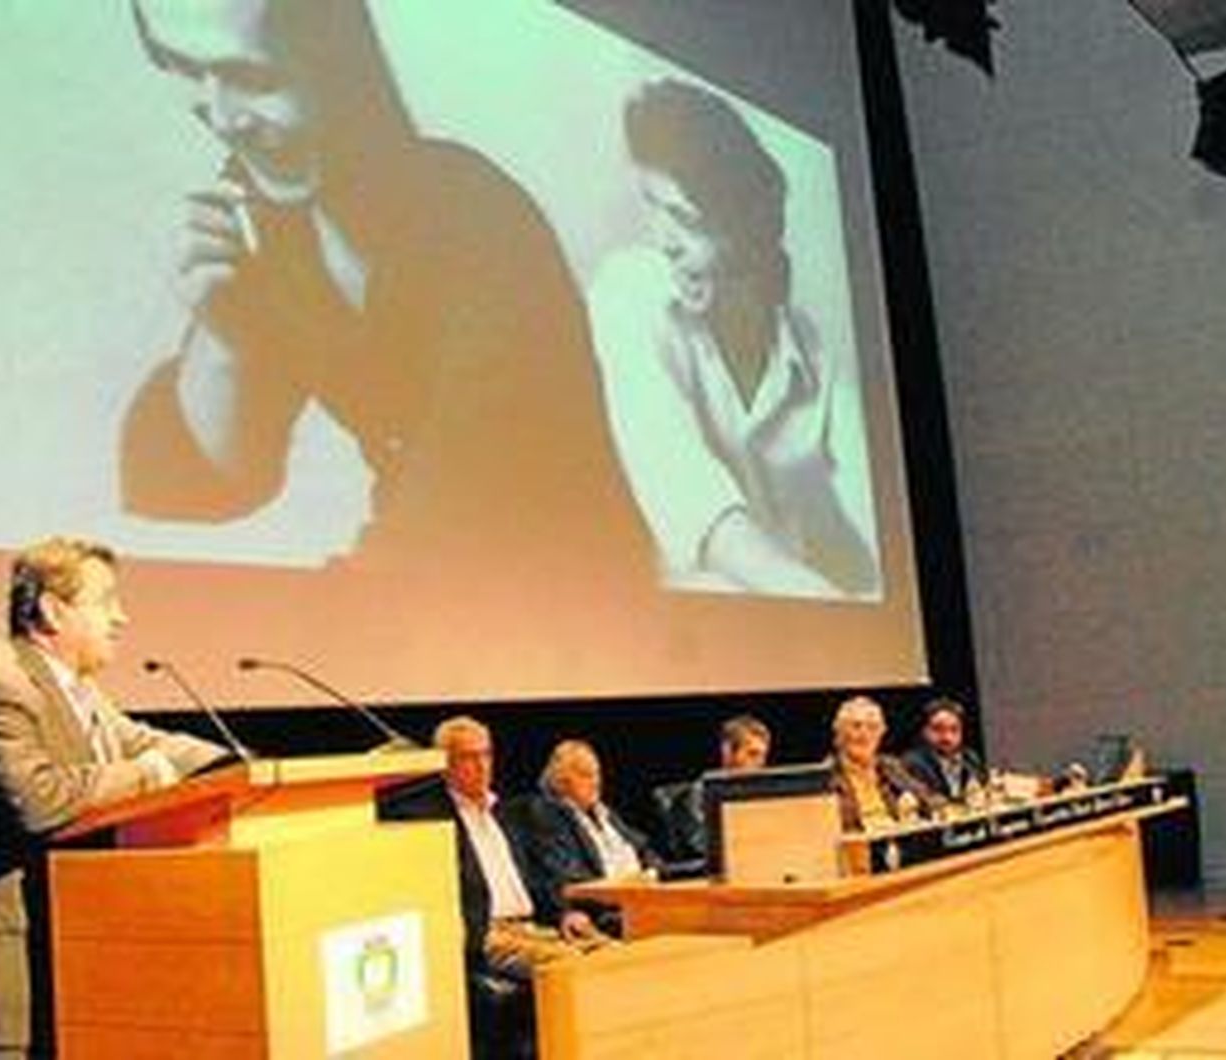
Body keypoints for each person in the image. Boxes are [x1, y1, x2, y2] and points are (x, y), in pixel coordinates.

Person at [121, 0, 649, 592]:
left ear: (341, 62)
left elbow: (460, 512)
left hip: (571, 606)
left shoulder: (478, 222)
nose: (222, 117)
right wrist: (226, 339)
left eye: (254, 78)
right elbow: (184, 487)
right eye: (182, 67)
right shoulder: (271, 220)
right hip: (442, 615)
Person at [0, 537, 228, 1058]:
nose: (122, 617)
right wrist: (147, 774)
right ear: (51, 610)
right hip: (1, 984)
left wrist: (240, 762)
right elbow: (36, 800)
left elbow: (144, 742)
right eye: (106, 601)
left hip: (68, 964)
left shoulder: (79, 690)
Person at [587, 78, 880, 598]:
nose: (663, 241)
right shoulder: (627, 292)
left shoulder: (809, 349)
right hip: (674, 647)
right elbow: (689, 497)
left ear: (743, 235)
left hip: (798, 637)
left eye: (686, 220)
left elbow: (879, 515)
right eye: (652, 206)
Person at [379, 716, 605, 981]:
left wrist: (564, 913)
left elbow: (533, 877)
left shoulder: (503, 813)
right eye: (469, 757)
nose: (482, 766)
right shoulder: (431, 819)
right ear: (444, 763)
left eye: (486, 755)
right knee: (571, 964)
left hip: (530, 927)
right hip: (488, 934)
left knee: (616, 953)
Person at [514, 739, 660, 937]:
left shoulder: (603, 812)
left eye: (597, 773)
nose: (596, 781)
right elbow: (566, 877)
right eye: (586, 775)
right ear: (561, 781)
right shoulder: (548, 814)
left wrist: (652, 873)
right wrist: (623, 886)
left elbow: (643, 848)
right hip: (607, 911)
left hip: (642, 898)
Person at [654, 713, 771, 864]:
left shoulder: (760, 795)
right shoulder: (698, 795)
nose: (760, 763)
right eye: (752, 754)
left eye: (763, 756)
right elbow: (699, 847)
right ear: (727, 752)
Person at [820, 696, 938, 832]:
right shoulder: (826, 775)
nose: (864, 734)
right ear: (839, 733)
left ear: (881, 734)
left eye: (873, 727)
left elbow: (934, 800)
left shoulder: (890, 766)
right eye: (856, 726)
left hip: (895, 842)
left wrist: (918, 801)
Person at [900, 697, 988, 805]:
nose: (947, 737)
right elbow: (929, 800)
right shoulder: (913, 763)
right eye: (938, 729)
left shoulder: (970, 759)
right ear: (925, 731)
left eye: (954, 729)